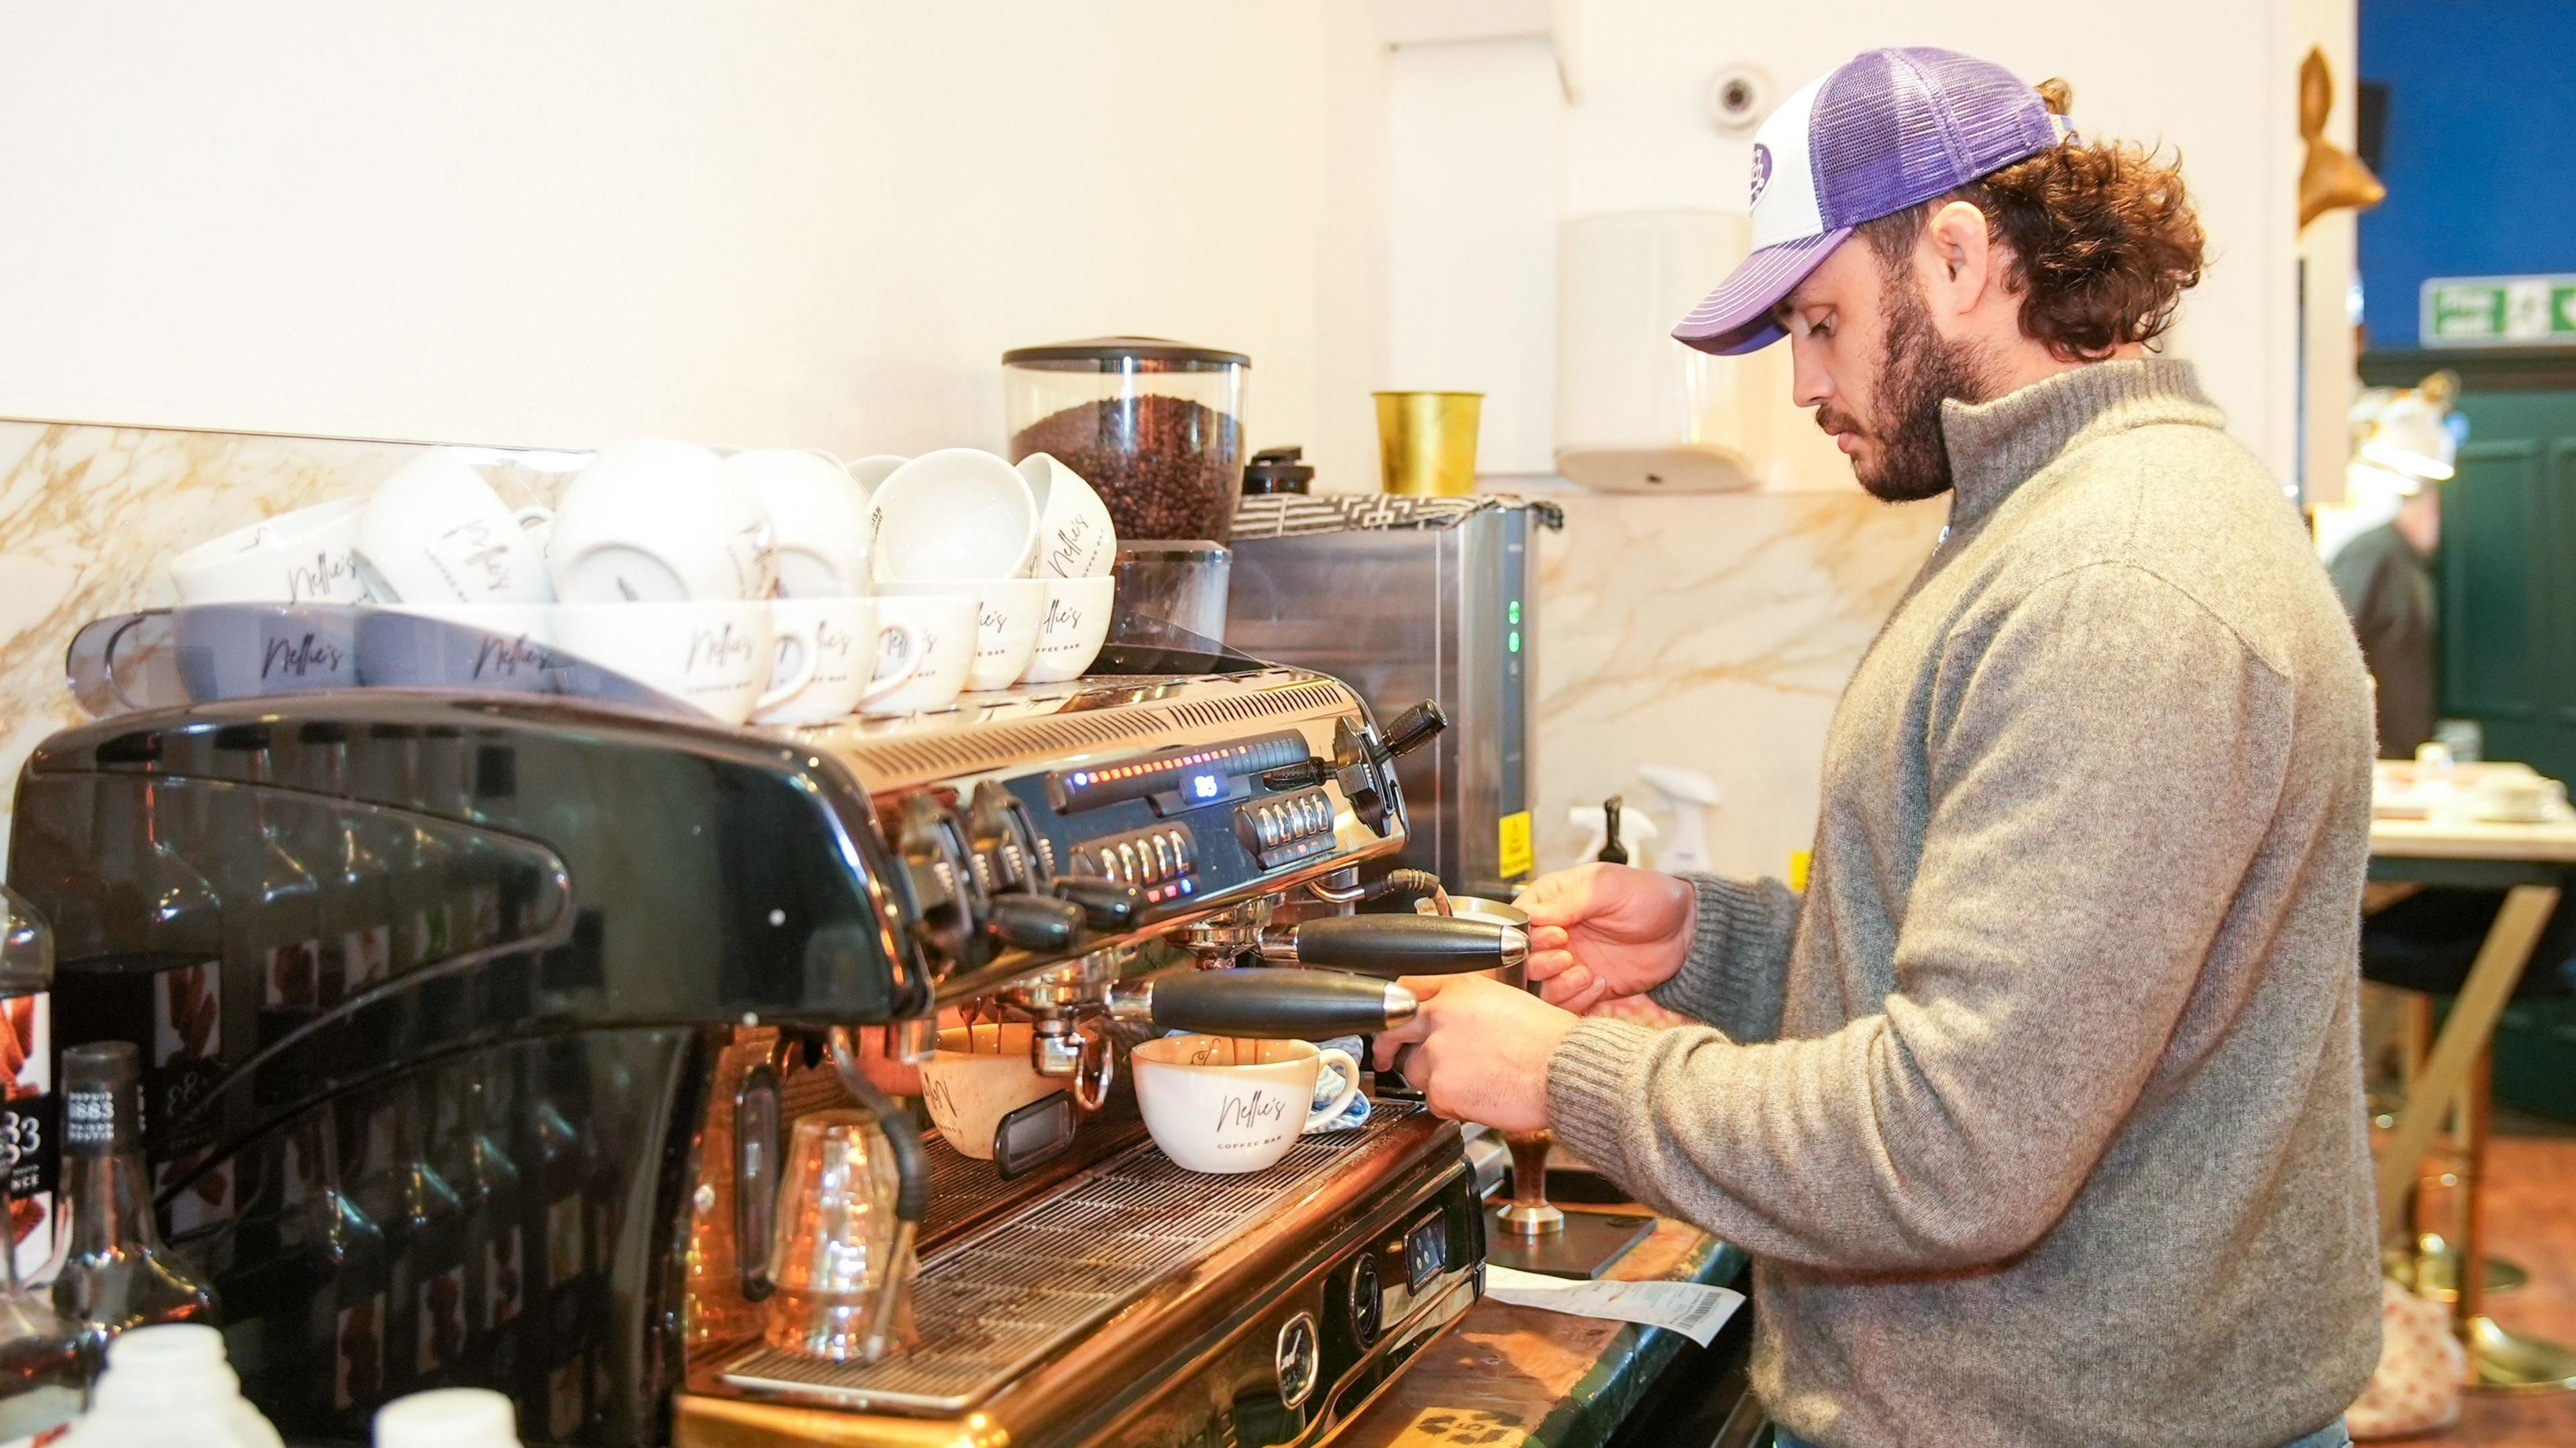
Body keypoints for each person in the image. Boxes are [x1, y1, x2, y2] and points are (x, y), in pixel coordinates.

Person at [1373, 48, 2379, 1448]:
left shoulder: (2120, 580)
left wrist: (1563, 1075)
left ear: (1959, 258)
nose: (1802, 382)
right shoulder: (2055, 518)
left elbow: (1957, 1144)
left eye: (1821, 321)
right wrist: (1710, 943)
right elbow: (2037, 993)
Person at [2327, 381, 2455, 759]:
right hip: (2374, 750)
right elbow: (2338, 646)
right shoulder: (2372, 554)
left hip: (2403, 748)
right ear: (2430, 507)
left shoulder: (2409, 561)